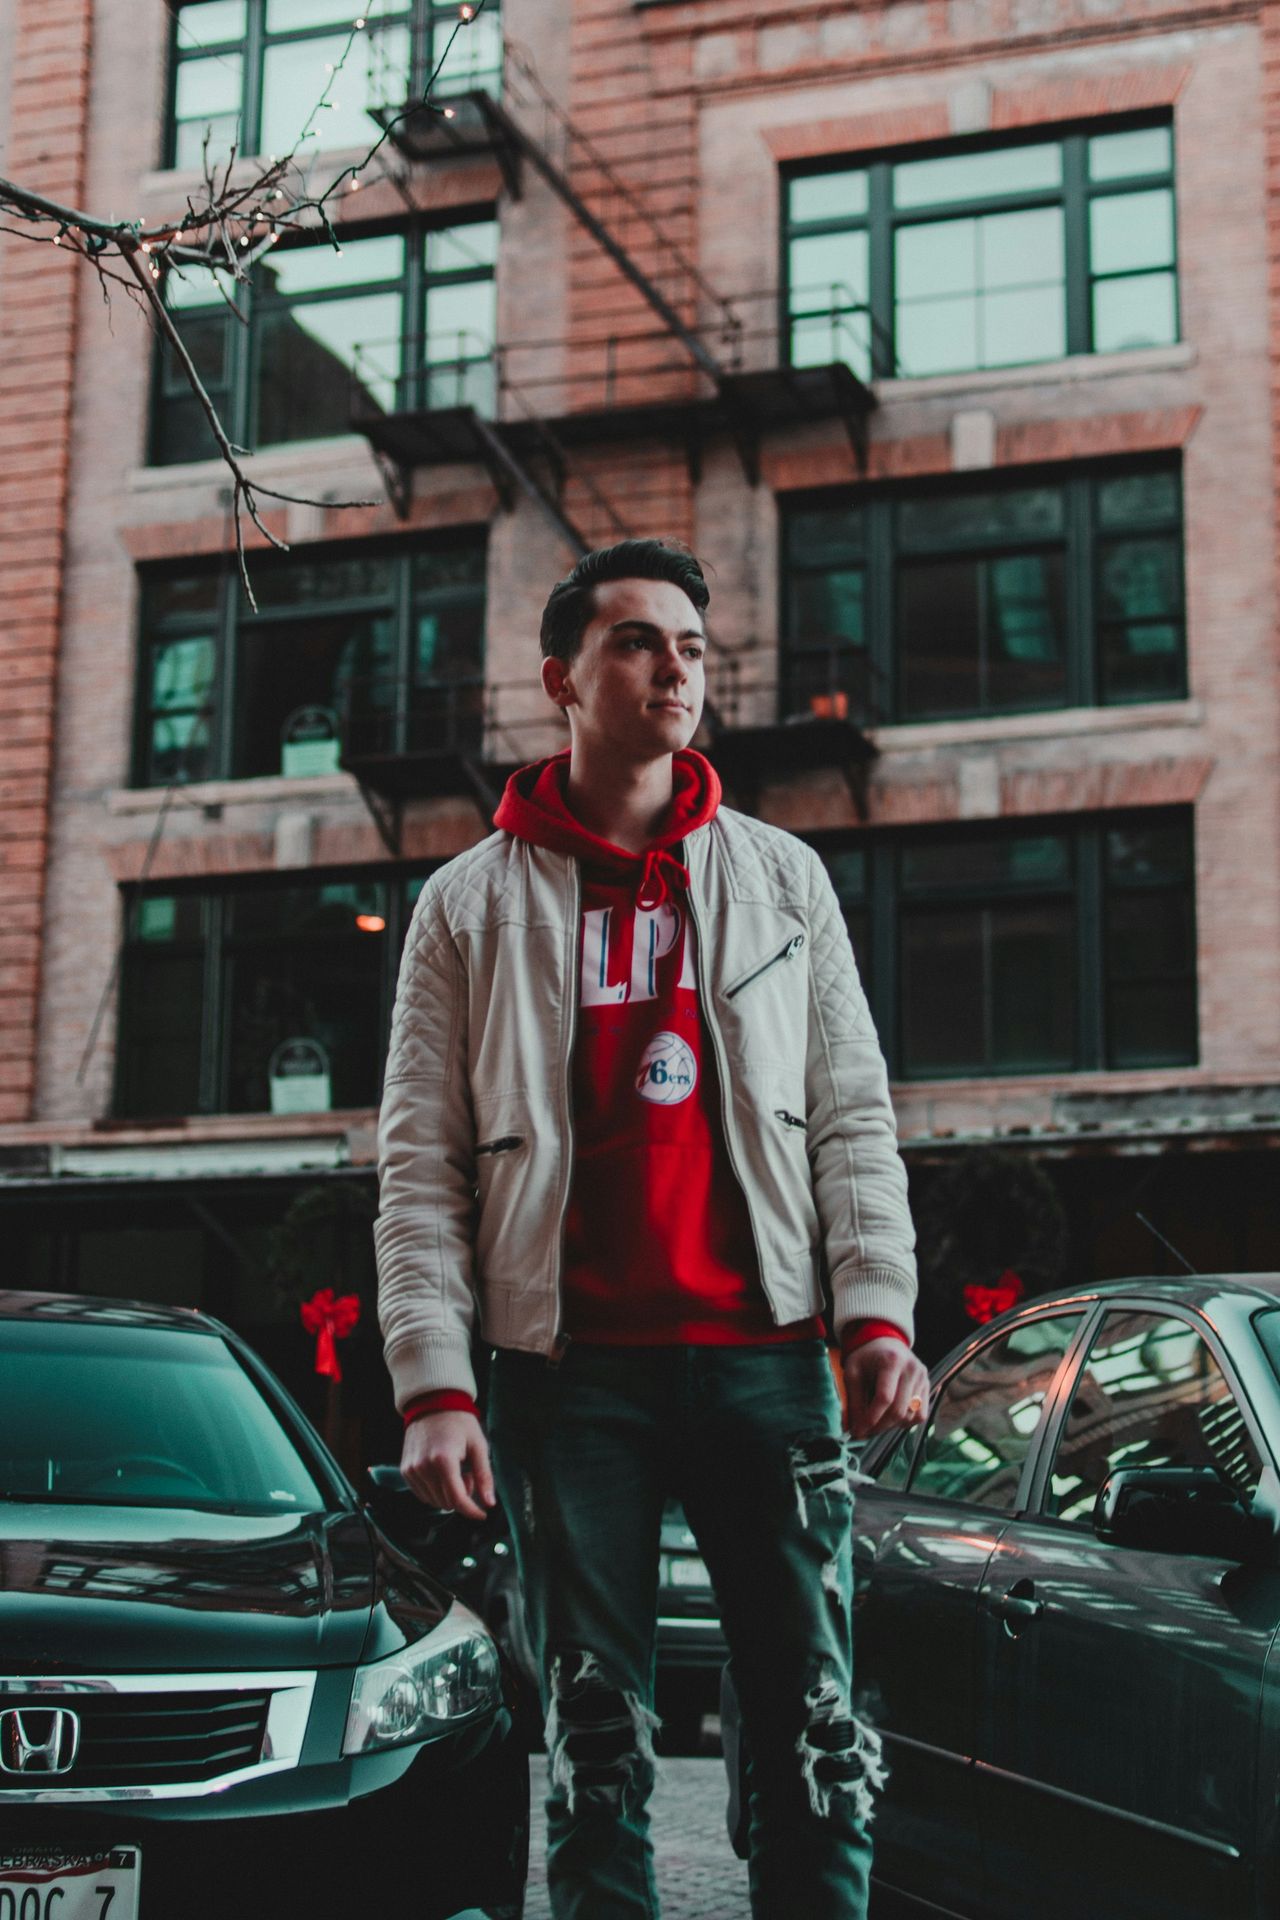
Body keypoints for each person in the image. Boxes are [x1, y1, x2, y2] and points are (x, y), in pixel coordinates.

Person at [376, 539, 929, 1920]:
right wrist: (435, 1387)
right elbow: (422, 1165)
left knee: (818, 1735)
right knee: (597, 1749)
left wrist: (877, 1315)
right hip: (570, 1381)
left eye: (690, 643)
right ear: (562, 677)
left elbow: (851, 1115)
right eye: (638, 640)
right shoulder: (467, 905)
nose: (675, 665)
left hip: (772, 1358)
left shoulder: (783, 878)